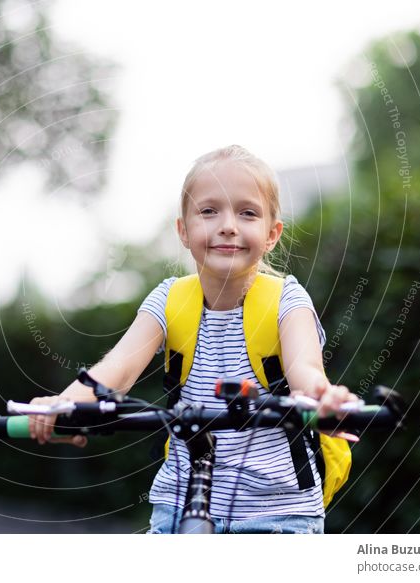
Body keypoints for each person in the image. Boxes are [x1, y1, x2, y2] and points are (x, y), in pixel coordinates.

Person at [27, 144, 358, 534]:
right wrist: (63, 405)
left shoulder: (287, 300)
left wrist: (324, 398)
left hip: (276, 512)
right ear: (183, 231)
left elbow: (305, 370)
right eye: (208, 211)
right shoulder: (169, 300)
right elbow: (117, 369)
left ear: (271, 234)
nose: (228, 225)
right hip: (178, 502)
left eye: (247, 212)